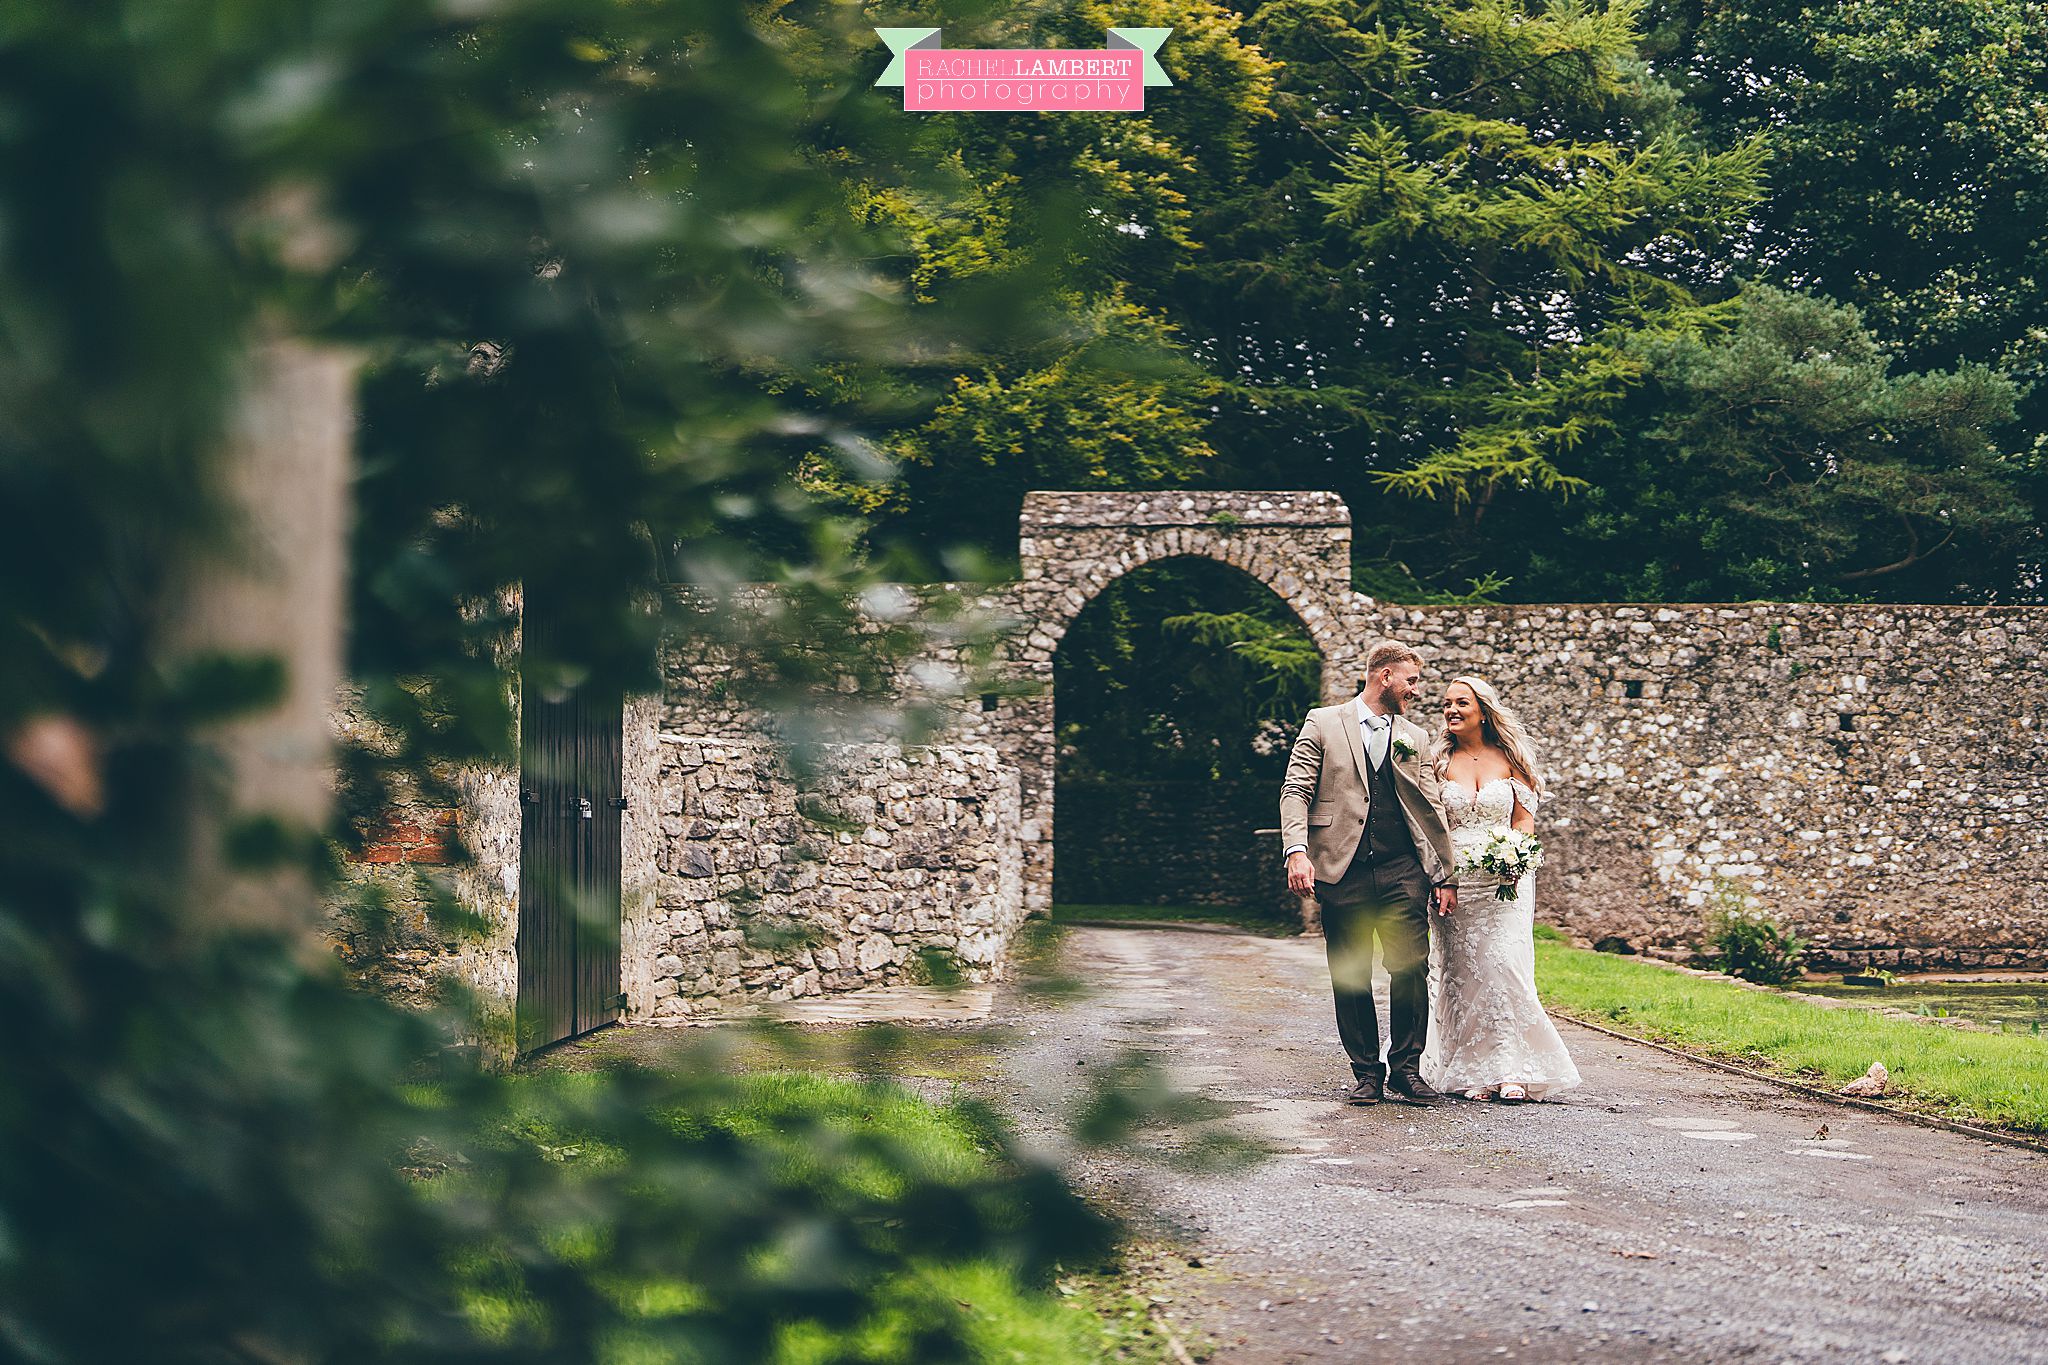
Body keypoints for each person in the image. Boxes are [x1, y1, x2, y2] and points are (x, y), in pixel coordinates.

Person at [1279, 641, 1457, 1106]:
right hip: (1342, 869)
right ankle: (1366, 1073)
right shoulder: (1322, 722)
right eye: (1412, 680)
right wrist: (1297, 851)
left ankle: (1406, 1070)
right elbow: (1295, 789)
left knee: (1411, 968)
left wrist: (1445, 874)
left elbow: (1430, 805)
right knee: (1351, 973)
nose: (1417, 691)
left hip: (1403, 870)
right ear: (1385, 677)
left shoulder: (1414, 737)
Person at [1419, 676, 1581, 1102]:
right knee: (1462, 975)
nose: (1451, 710)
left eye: (1461, 703)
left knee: (1505, 966)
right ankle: (1472, 1067)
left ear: (1483, 709)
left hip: (1504, 882)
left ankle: (1511, 1067)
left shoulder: (1511, 758)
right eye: (1446, 703)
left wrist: (1518, 856)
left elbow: (1523, 820)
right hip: (1454, 883)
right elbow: (1431, 823)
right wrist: (1438, 877)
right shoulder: (1436, 761)